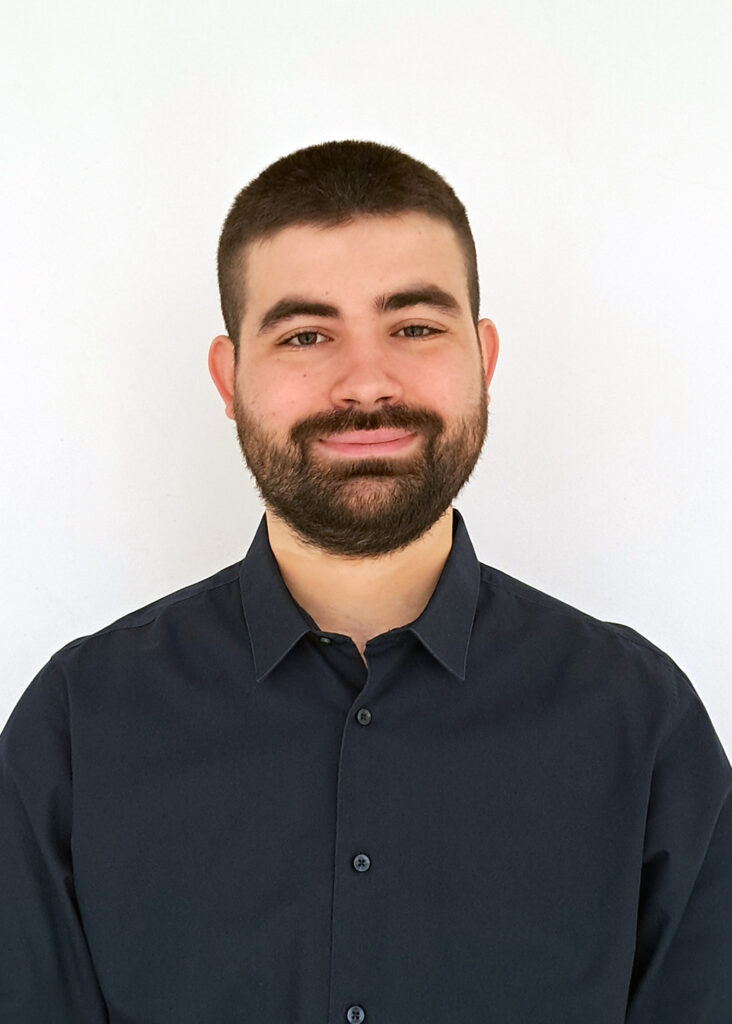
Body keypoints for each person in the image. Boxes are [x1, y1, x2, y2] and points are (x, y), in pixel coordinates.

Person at [1, 139, 730, 1024]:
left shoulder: (641, 722)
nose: (367, 384)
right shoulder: (77, 724)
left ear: (483, 358)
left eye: (414, 327)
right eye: (306, 335)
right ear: (230, 378)